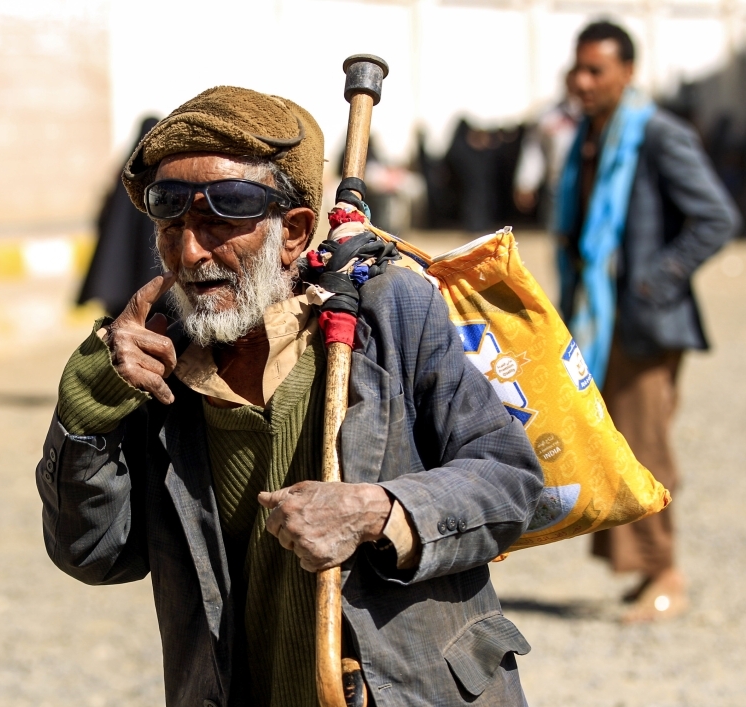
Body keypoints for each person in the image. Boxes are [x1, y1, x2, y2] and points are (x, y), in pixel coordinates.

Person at [37, 86, 544, 706]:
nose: (190, 251)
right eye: (172, 221)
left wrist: (377, 511)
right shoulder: (153, 358)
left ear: (294, 232)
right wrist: (88, 414)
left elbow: (510, 480)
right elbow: (92, 553)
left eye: (221, 220)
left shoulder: (388, 314)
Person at [556, 21, 741, 623]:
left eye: (596, 71)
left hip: (645, 325)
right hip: (601, 324)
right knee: (616, 449)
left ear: (627, 73)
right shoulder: (590, 136)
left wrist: (653, 281)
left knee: (648, 450)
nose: (582, 81)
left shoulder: (657, 134)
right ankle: (643, 572)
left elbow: (715, 216)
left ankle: (667, 576)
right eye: (577, 69)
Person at [77, 116, 164, 318]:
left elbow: (102, 223)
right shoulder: (160, 182)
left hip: (121, 281)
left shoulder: (124, 179)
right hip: (156, 284)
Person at [513, 70, 582, 223]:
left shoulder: (595, 115)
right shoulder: (549, 116)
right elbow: (534, 151)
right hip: (556, 189)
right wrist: (526, 182)